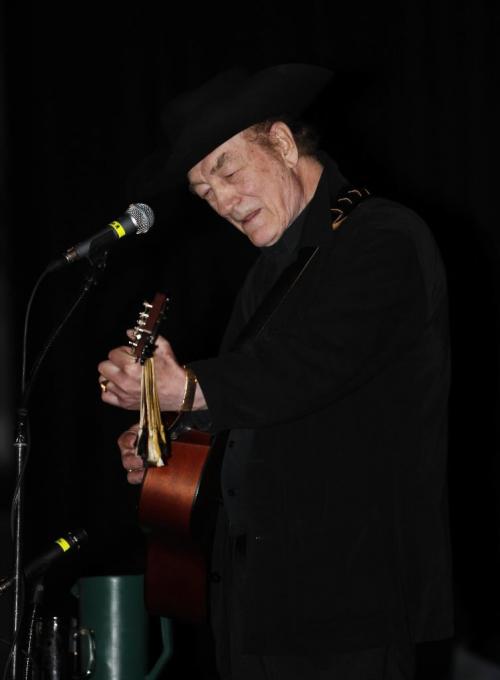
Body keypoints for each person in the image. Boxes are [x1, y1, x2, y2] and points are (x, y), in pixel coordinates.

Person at [97, 64, 453, 679]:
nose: (224, 201)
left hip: (345, 608)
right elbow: (268, 420)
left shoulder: (382, 237)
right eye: (205, 193)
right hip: (257, 606)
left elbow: (305, 368)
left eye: (227, 169)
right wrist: (169, 436)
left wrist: (185, 387)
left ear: (284, 144)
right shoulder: (273, 270)